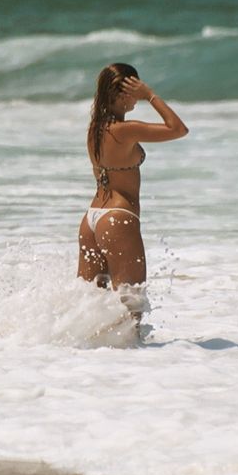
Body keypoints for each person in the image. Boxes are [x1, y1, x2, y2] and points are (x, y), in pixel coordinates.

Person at [78, 63, 188, 302]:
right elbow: (178, 129)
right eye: (134, 91)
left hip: (92, 219)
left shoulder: (95, 129)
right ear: (120, 93)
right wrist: (150, 95)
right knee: (132, 308)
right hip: (118, 217)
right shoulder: (125, 130)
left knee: (88, 306)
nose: (136, 99)